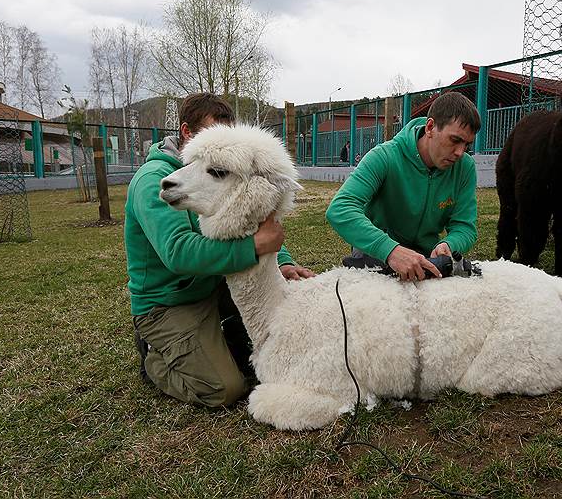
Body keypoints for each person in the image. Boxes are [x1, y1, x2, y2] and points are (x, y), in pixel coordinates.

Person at [124, 92, 314, 408]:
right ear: (187, 133)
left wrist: (281, 261)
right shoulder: (154, 181)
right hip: (170, 302)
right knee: (225, 388)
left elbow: (247, 222)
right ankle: (154, 357)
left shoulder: (221, 170)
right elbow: (178, 252)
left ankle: (215, 340)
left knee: (278, 345)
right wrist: (253, 247)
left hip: (215, 286)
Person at [325, 92, 480, 282]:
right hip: (377, 251)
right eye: (455, 140)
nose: (460, 152)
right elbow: (340, 209)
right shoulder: (384, 156)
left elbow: (465, 226)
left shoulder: (465, 167)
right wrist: (391, 251)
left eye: (467, 145)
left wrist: (450, 244)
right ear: (430, 127)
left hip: (426, 255)